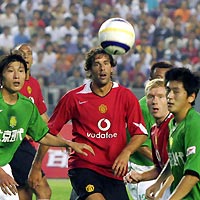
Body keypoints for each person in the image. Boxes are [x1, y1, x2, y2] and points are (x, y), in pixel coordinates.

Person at [29, 46, 148, 200]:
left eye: (106, 63)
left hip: (114, 172)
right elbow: (49, 132)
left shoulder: (126, 96)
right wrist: (36, 166)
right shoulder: (74, 97)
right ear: (90, 70)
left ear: (112, 68)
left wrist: (126, 152)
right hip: (84, 166)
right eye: (97, 64)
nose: (102, 67)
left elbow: (140, 133)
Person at [0, 53, 94, 200]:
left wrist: (67, 143)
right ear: (2, 76)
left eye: (21, 71)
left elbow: (42, 135)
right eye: (10, 70)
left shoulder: (27, 106)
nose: (16, 75)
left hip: (3, 165)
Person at [146, 67, 200, 199]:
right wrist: (158, 182)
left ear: (191, 97)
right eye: (168, 90)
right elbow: (174, 158)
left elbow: (193, 175)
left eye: (176, 92)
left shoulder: (194, 124)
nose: (169, 96)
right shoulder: (173, 123)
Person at [9, 43, 51, 200]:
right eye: (21, 53)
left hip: (25, 145)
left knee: (24, 194)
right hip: (16, 143)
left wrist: (60, 140)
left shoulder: (33, 84)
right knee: (44, 190)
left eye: (29, 53)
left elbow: (43, 118)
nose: (26, 56)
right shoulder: (9, 82)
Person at [127, 61, 173, 200]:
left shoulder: (181, 120)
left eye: (166, 80)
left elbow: (176, 164)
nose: (162, 83)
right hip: (143, 168)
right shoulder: (142, 110)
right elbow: (139, 144)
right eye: (158, 78)